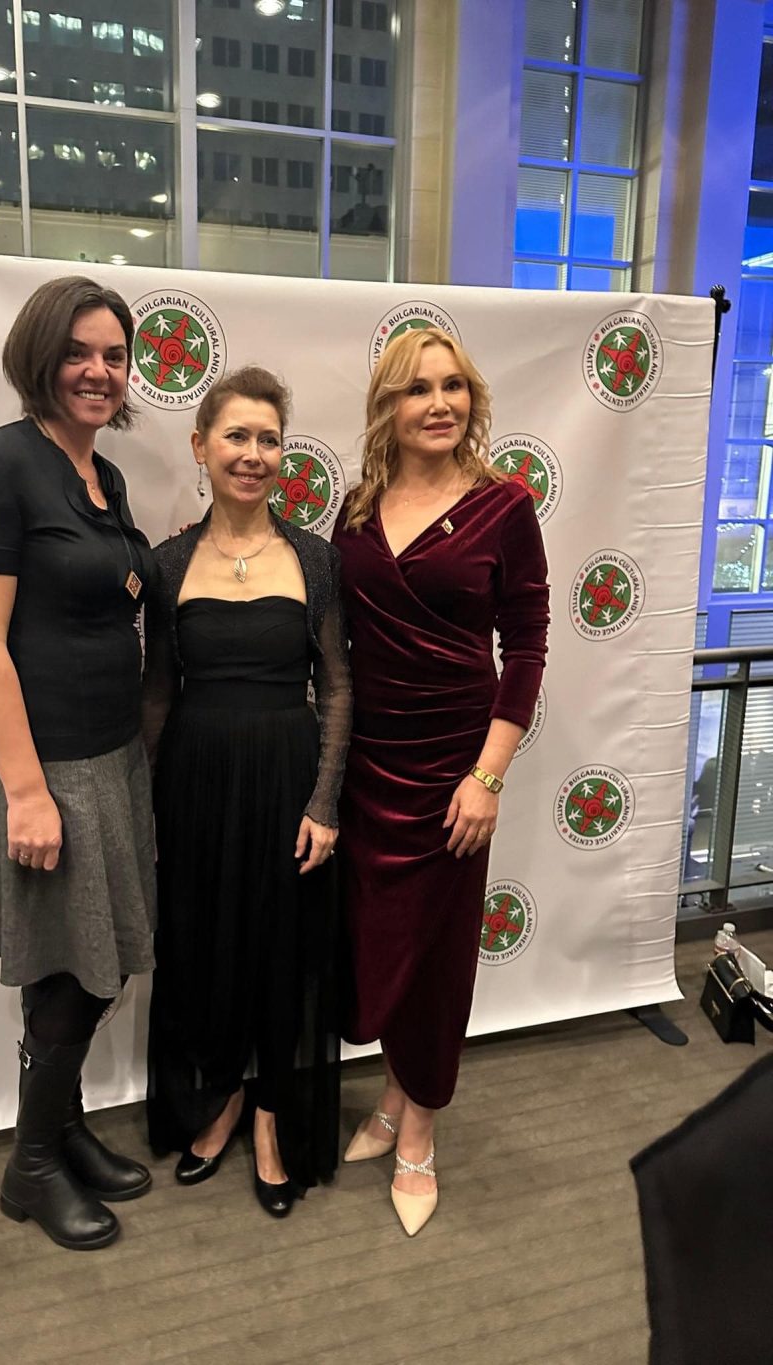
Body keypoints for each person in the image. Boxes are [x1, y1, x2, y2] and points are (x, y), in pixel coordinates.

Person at [0, 276, 156, 1252]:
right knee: (77, 975)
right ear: (40, 357)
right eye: (78, 352)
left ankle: (61, 1130)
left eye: (113, 354)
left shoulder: (102, 477)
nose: (98, 371)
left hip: (113, 755)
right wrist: (27, 792)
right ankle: (30, 1167)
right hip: (48, 766)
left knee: (83, 961)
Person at [332, 327, 549, 1237]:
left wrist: (487, 776)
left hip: (454, 767)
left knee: (440, 954)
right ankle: (391, 1095)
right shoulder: (357, 507)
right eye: (418, 388)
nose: (438, 404)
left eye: (453, 386)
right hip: (368, 761)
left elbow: (527, 647)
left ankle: (418, 1130)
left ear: (473, 399)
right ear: (388, 405)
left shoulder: (505, 507)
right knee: (380, 945)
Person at [143, 366, 352, 1218]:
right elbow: (158, 693)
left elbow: (336, 686)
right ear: (201, 447)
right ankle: (222, 1095)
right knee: (206, 948)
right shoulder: (166, 564)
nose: (254, 453)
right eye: (237, 436)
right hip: (194, 783)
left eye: (270, 439)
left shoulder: (315, 558)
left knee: (281, 951)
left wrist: (325, 802)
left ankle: (270, 1118)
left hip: (288, 781)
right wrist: (148, 806)